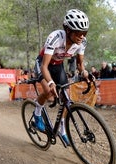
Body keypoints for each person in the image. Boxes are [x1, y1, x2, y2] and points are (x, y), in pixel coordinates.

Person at [33, 9, 89, 145]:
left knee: (66, 98)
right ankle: (37, 113)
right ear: (68, 30)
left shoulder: (82, 43)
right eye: (79, 33)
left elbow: (80, 64)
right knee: (47, 91)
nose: (82, 36)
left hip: (58, 66)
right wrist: (51, 82)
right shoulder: (56, 37)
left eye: (84, 33)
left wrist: (84, 73)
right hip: (43, 63)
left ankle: (63, 129)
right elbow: (44, 67)